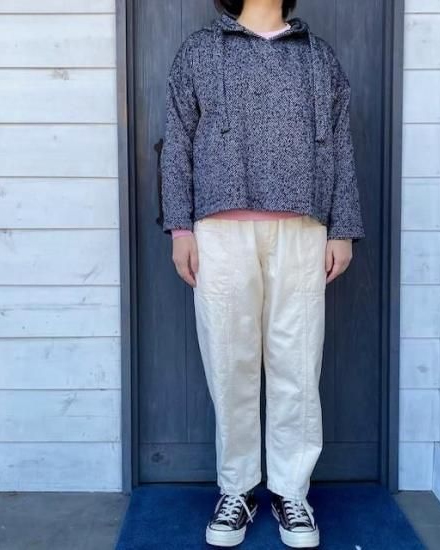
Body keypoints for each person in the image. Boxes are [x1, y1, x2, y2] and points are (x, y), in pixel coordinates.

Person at [160, 0, 365, 547]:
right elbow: (177, 143)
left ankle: (292, 491)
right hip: (219, 231)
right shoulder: (199, 52)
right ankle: (237, 488)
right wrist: (180, 227)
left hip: (302, 228)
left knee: (298, 361)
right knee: (229, 362)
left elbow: (341, 145)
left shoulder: (319, 57)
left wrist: (343, 227)